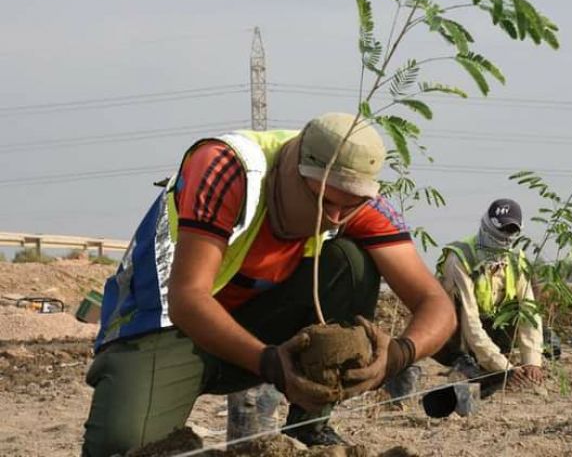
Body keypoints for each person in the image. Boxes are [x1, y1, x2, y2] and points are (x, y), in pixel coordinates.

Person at [82, 113, 456, 456]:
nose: (335, 218)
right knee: (124, 448)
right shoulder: (225, 168)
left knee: (351, 263)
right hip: (164, 326)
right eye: (326, 201)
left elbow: (433, 301)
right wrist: (271, 364)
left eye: (350, 206)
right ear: (292, 169)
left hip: (257, 329)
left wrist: (399, 355)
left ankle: (311, 423)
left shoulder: (353, 200)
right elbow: (187, 299)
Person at [389, 198, 543, 403]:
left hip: (490, 328)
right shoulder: (461, 259)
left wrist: (532, 361)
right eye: (501, 231)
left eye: (510, 231)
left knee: (530, 290)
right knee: (474, 373)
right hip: (451, 331)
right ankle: (453, 365)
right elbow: (469, 322)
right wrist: (504, 367)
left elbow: (528, 313)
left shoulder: (517, 260)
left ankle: (482, 372)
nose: (504, 237)